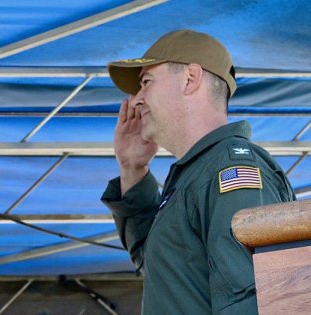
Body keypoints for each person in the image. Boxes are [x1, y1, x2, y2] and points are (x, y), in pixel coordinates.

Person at [101, 30, 295, 314]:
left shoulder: (228, 168)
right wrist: (132, 168)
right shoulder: (198, 173)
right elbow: (163, 269)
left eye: (146, 82)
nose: (136, 100)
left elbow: (250, 301)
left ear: (190, 79)